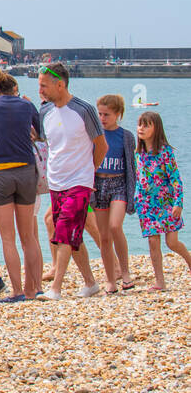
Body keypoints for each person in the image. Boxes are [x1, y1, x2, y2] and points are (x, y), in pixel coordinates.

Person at [37, 63, 106, 300]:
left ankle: (56, 288)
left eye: (44, 85)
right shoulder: (44, 112)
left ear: (60, 84)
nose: (41, 90)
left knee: (65, 232)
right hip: (56, 183)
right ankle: (90, 283)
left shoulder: (83, 109)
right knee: (72, 235)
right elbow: (47, 142)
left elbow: (101, 145)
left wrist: (89, 171)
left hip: (80, 182)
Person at [0, 69, 45, 301]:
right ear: (15, 89)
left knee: (8, 237)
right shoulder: (27, 105)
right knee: (28, 236)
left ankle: (17, 290)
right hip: (26, 169)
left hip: (0, 170)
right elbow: (42, 132)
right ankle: (34, 288)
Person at [135, 111, 191, 292]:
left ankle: (189, 261)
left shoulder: (165, 152)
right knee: (153, 242)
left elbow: (175, 178)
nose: (141, 128)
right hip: (146, 204)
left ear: (156, 128)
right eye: (139, 124)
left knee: (172, 242)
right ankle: (160, 282)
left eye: (146, 125)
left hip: (166, 202)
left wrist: (178, 203)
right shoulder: (138, 152)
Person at [92, 94, 136, 292]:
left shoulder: (126, 136)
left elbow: (131, 168)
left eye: (107, 114)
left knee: (115, 226)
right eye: (100, 114)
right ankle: (110, 279)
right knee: (104, 236)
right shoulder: (95, 135)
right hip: (99, 185)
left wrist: (132, 193)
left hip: (118, 183)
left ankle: (125, 272)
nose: (102, 118)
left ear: (118, 114)